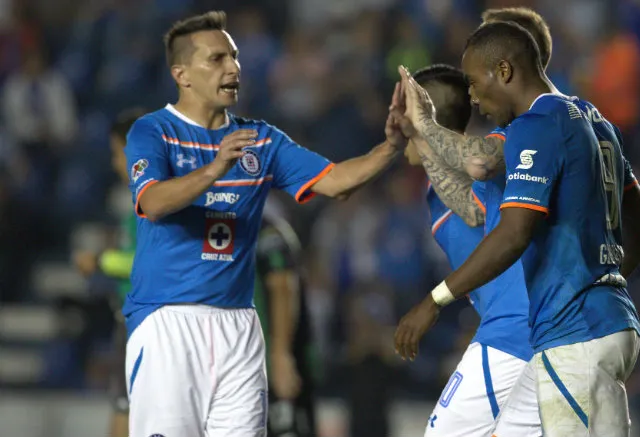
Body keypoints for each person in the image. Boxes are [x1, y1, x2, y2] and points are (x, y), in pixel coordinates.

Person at [123, 11, 403, 437]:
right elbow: (153, 201)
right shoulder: (153, 131)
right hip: (167, 323)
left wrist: (392, 146)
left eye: (234, 57)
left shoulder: (262, 140)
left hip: (239, 325)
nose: (234, 68)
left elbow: (338, 182)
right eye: (216, 59)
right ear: (182, 74)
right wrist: (215, 168)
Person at [394, 21, 640, 437]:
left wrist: (435, 300)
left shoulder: (536, 126)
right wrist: (607, 281)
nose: (474, 98)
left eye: (476, 83)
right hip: (604, 322)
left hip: (573, 331)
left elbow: (513, 234)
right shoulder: (597, 121)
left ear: (504, 70)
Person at [397, 64, 539, 437]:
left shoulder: (485, 168)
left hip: (513, 333)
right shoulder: (437, 186)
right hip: (522, 333)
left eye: (401, 113)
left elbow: (478, 210)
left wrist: (434, 301)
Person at [72, 107, 145, 437]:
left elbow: (149, 261)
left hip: (147, 325)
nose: (115, 164)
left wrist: (101, 261)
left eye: (118, 154)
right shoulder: (139, 200)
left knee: (128, 416)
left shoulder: (156, 199)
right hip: (132, 322)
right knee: (123, 412)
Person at [253, 200, 317, 437]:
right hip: (250, 362)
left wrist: (281, 355)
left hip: (270, 361)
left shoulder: (265, 230)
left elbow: (282, 286)